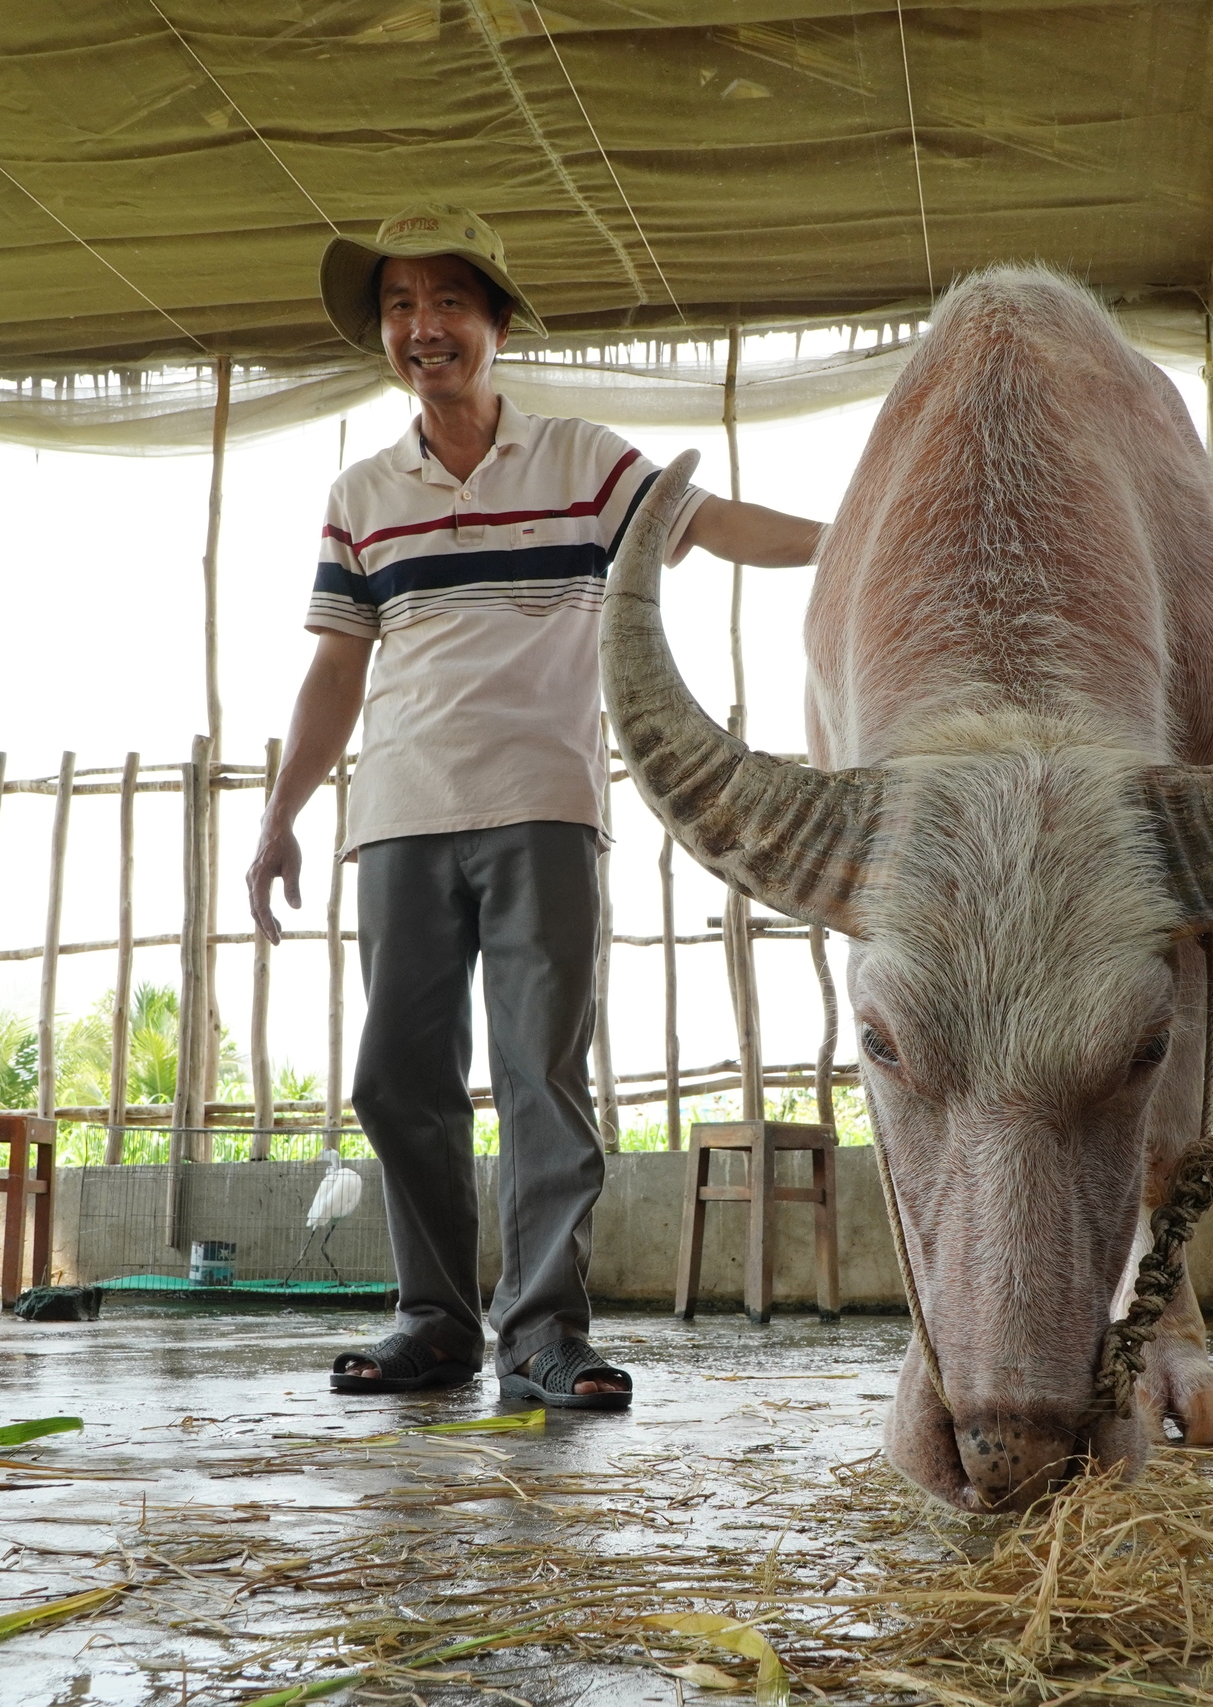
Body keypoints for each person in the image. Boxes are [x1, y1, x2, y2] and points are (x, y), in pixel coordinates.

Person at [247, 206, 824, 1411]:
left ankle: (547, 1331)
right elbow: (334, 669)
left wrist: (857, 538)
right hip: (398, 817)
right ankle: (432, 1322)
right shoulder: (362, 492)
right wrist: (280, 815)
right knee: (396, 1079)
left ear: (497, 325)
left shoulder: (580, 461)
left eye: (448, 303)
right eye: (401, 306)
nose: (423, 327)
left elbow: (709, 526)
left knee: (538, 1077)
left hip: (543, 810)